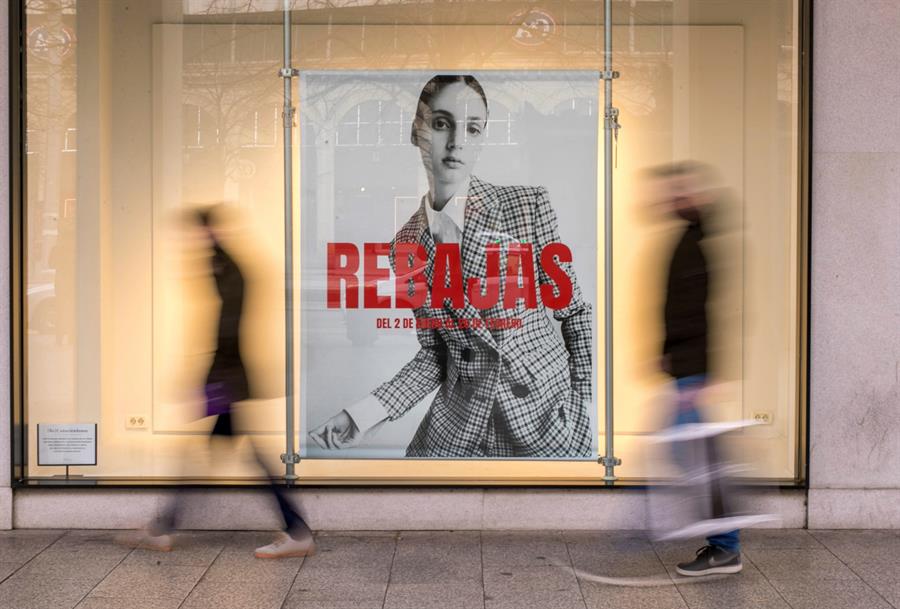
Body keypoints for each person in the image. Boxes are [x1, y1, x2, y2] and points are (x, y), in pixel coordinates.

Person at [310, 74, 593, 458]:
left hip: (546, 419)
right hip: (460, 425)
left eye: (473, 129)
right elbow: (436, 354)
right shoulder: (406, 246)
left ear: (481, 141)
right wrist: (362, 415)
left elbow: (574, 312)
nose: (458, 142)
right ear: (417, 131)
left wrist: (582, 402)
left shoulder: (526, 207)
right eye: (442, 123)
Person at [119, 205, 314, 559]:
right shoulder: (225, 263)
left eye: (193, 234)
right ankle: (163, 528)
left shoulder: (223, 267)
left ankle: (297, 530)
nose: (188, 243)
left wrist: (211, 381)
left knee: (225, 457)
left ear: (207, 232)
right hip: (229, 378)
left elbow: (227, 328)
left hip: (228, 379)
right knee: (212, 456)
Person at [654, 162, 742, 577]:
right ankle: (724, 543)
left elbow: (701, 315)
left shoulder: (696, 244)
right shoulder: (690, 238)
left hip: (692, 373)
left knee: (697, 457)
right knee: (693, 454)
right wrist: (666, 353)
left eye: (680, 193)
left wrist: (699, 377)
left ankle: (726, 546)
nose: (672, 200)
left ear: (697, 197)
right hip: (686, 368)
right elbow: (682, 310)